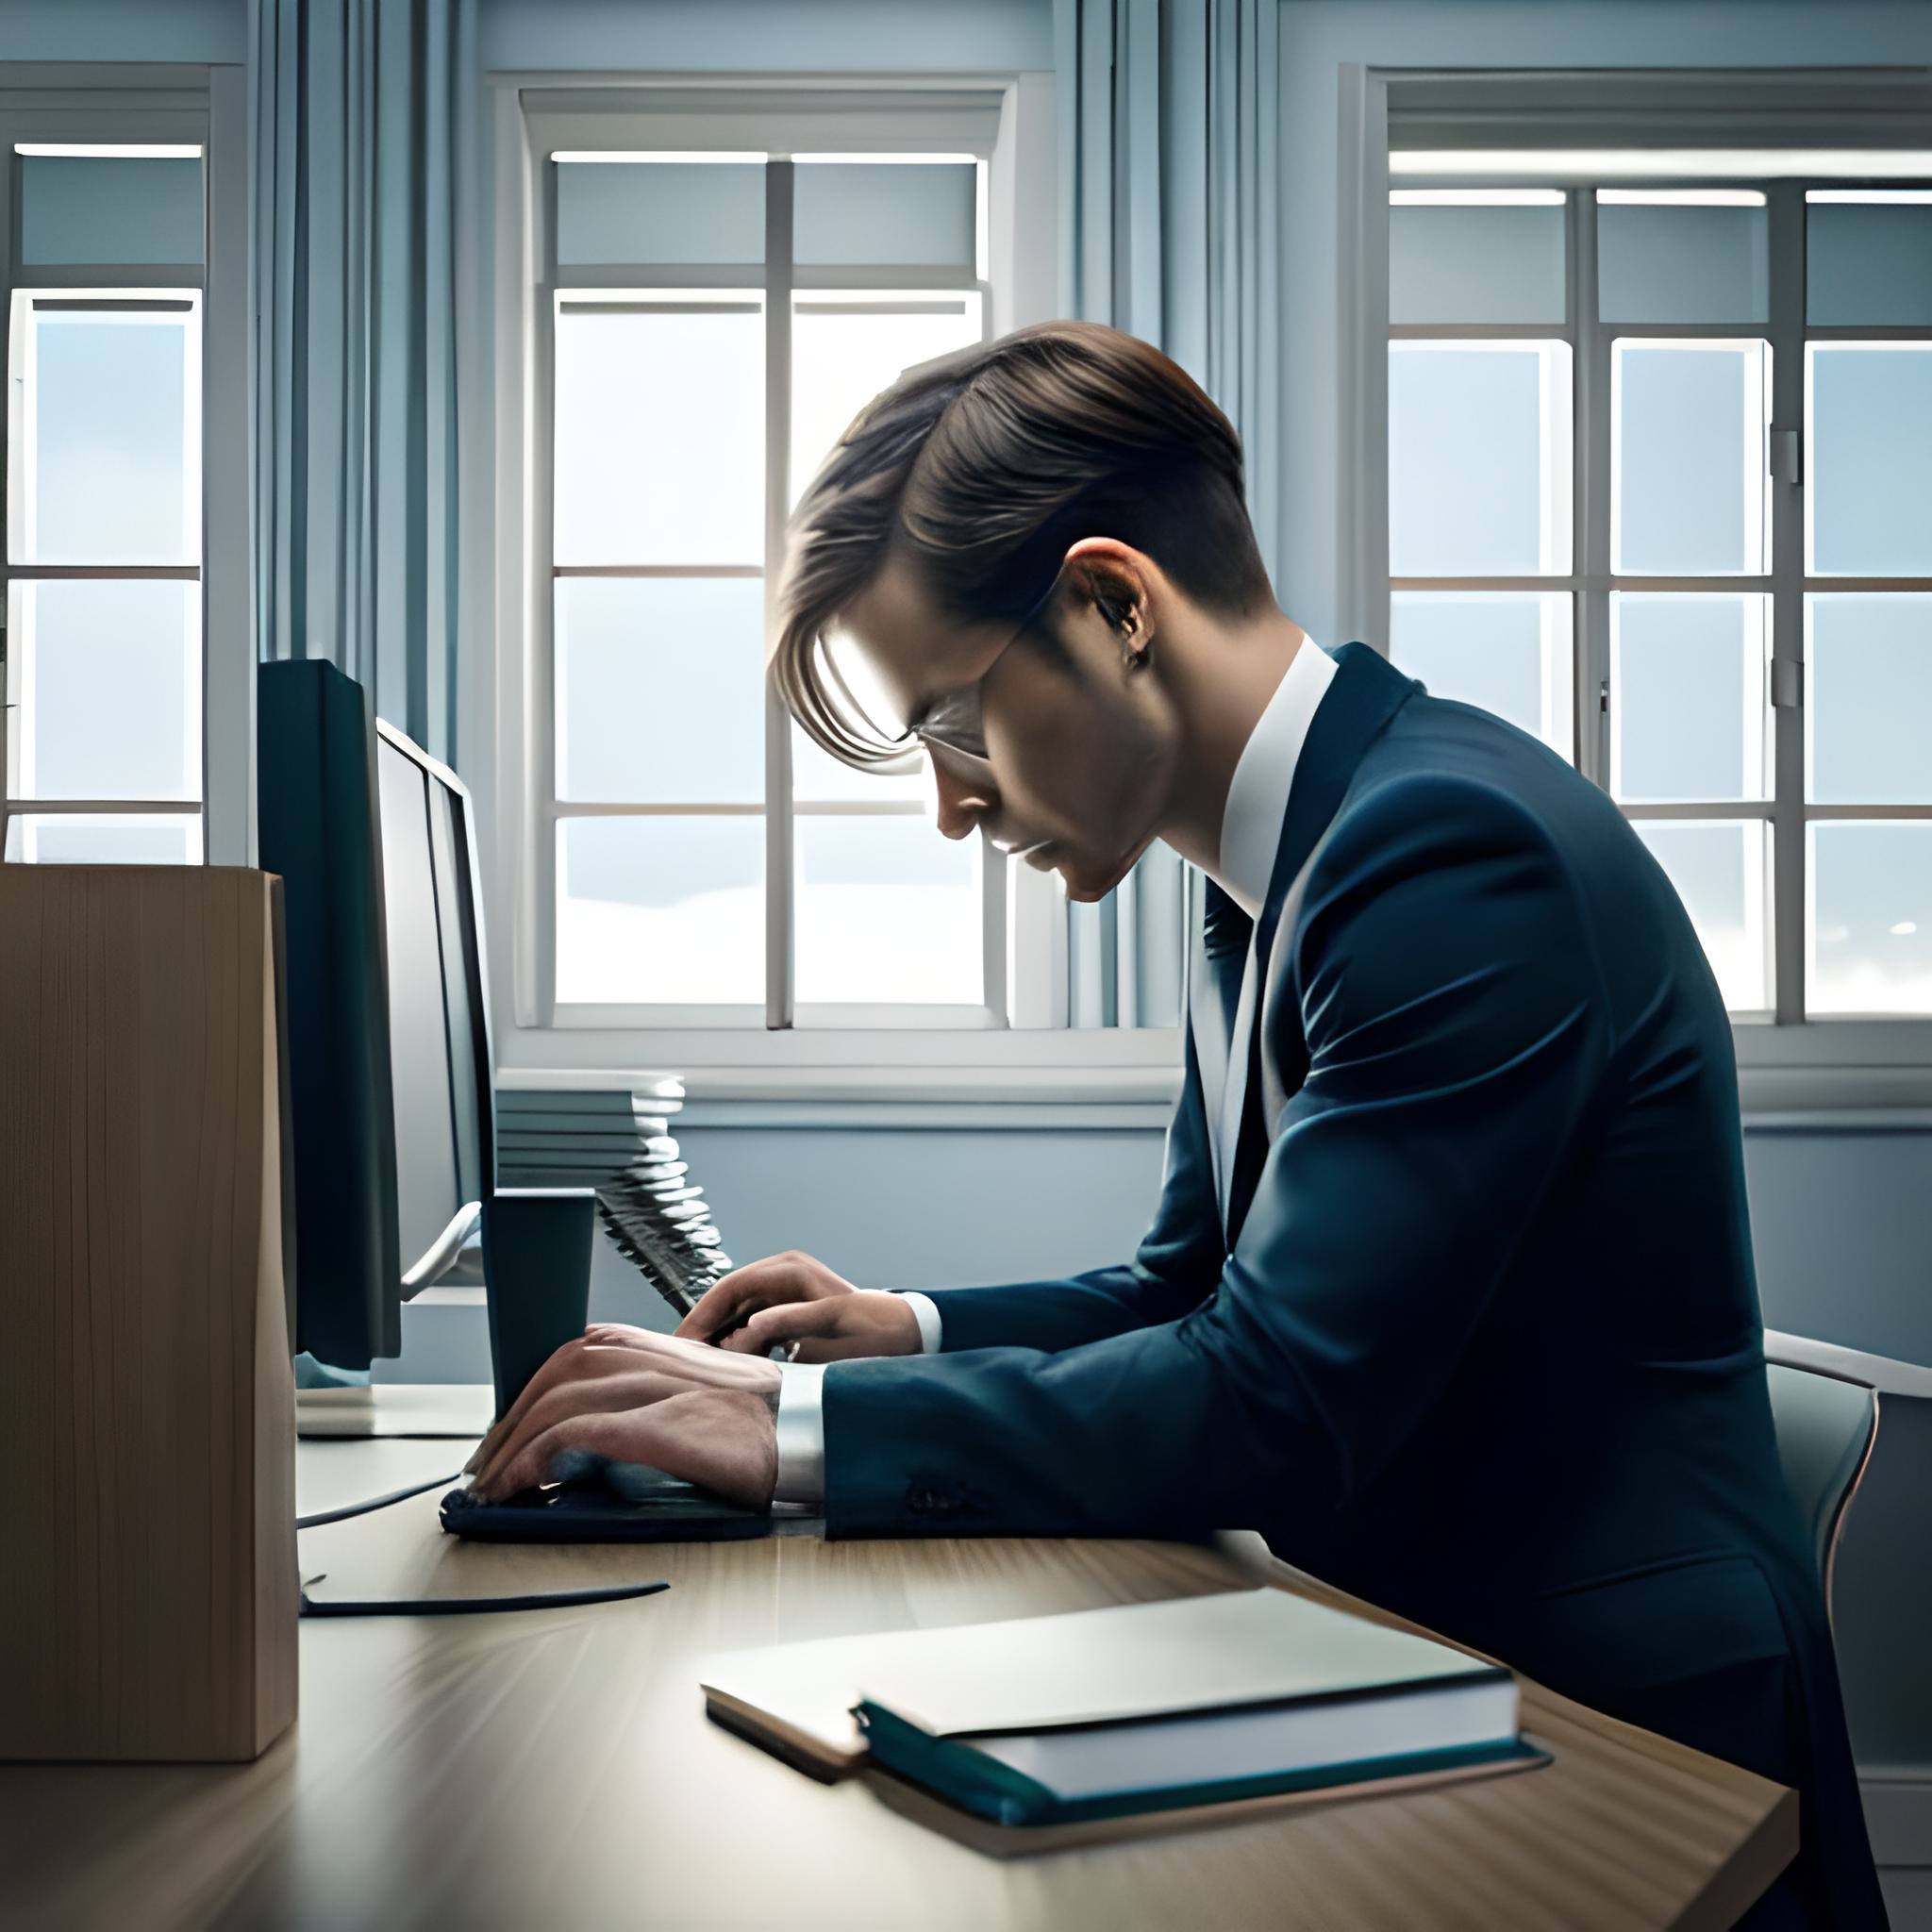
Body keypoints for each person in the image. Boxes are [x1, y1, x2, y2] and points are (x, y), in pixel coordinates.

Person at [471, 322, 1885, 1927]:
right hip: (1423, 1658)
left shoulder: (1447, 860)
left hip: (1608, 1722)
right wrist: (900, 1334)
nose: (948, 802)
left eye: (953, 721)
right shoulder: (1280, 878)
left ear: (1116, 605)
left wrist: (785, 1434)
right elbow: (1196, 1293)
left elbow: (1275, 1399)